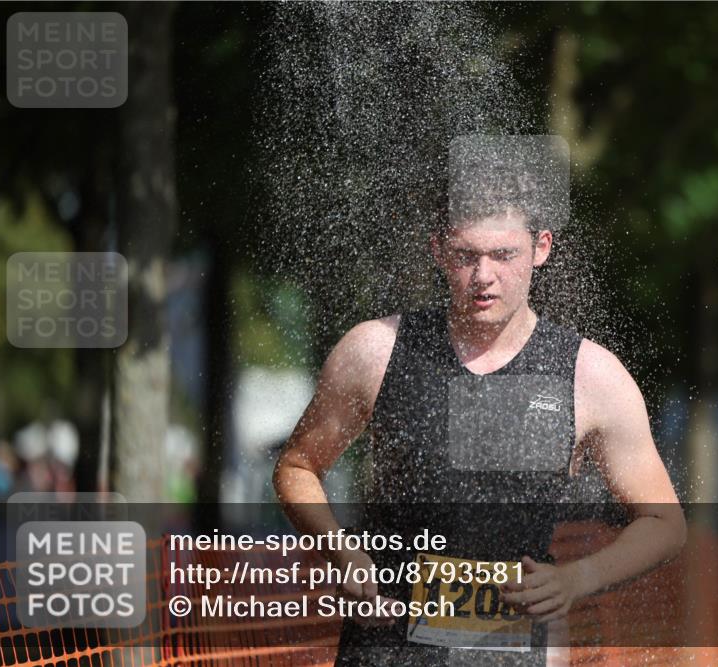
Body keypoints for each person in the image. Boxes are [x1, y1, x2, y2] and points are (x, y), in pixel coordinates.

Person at [274, 160, 687, 666]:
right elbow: (297, 467)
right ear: (438, 251)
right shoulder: (375, 352)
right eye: (466, 255)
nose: (483, 276)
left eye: (503, 255)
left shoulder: (591, 377)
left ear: (542, 248)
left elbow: (665, 523)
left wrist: (575, 580)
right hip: (386, 649)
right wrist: (342, 555)